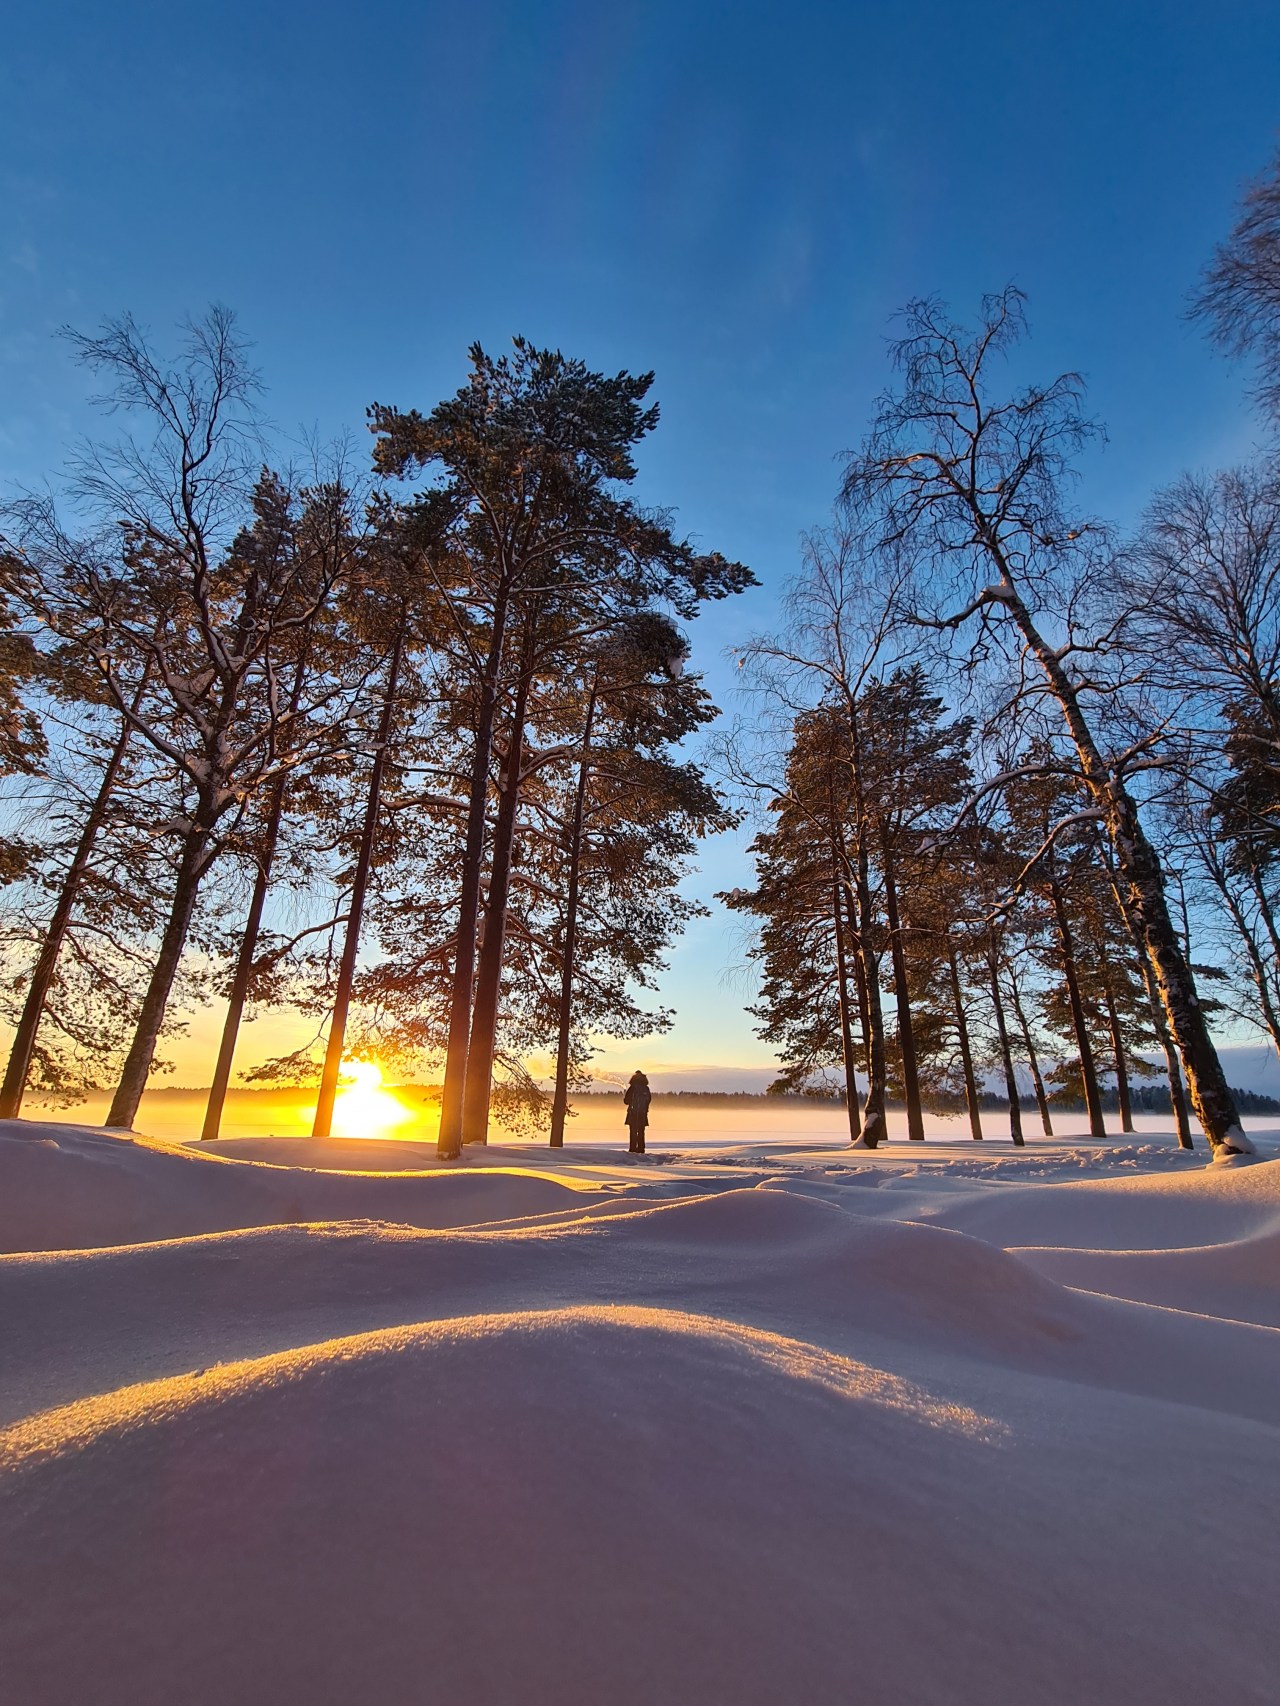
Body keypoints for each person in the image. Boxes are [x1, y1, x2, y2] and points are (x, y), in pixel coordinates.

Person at [623, 1070, 651, 1154]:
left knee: (633, 1132)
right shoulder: (646, 1088)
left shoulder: (632, 1088)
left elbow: (626, 1101)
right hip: (643, 1114)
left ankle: (633, 1150)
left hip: (633, 1113)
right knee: (641, 1132)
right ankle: (641, 1150)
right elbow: (649, 1100)